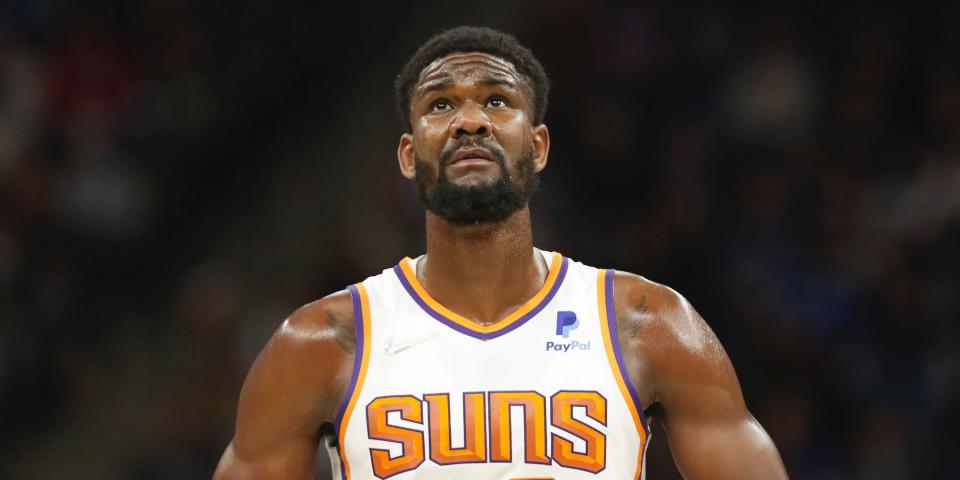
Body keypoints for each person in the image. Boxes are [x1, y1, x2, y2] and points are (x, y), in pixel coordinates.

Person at [213, 26, 788, 480]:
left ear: (536, 146)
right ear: (409, 156)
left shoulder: (646, 324)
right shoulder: (323, 341)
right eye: (440, 105)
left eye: (495, 99)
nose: (469, 120)